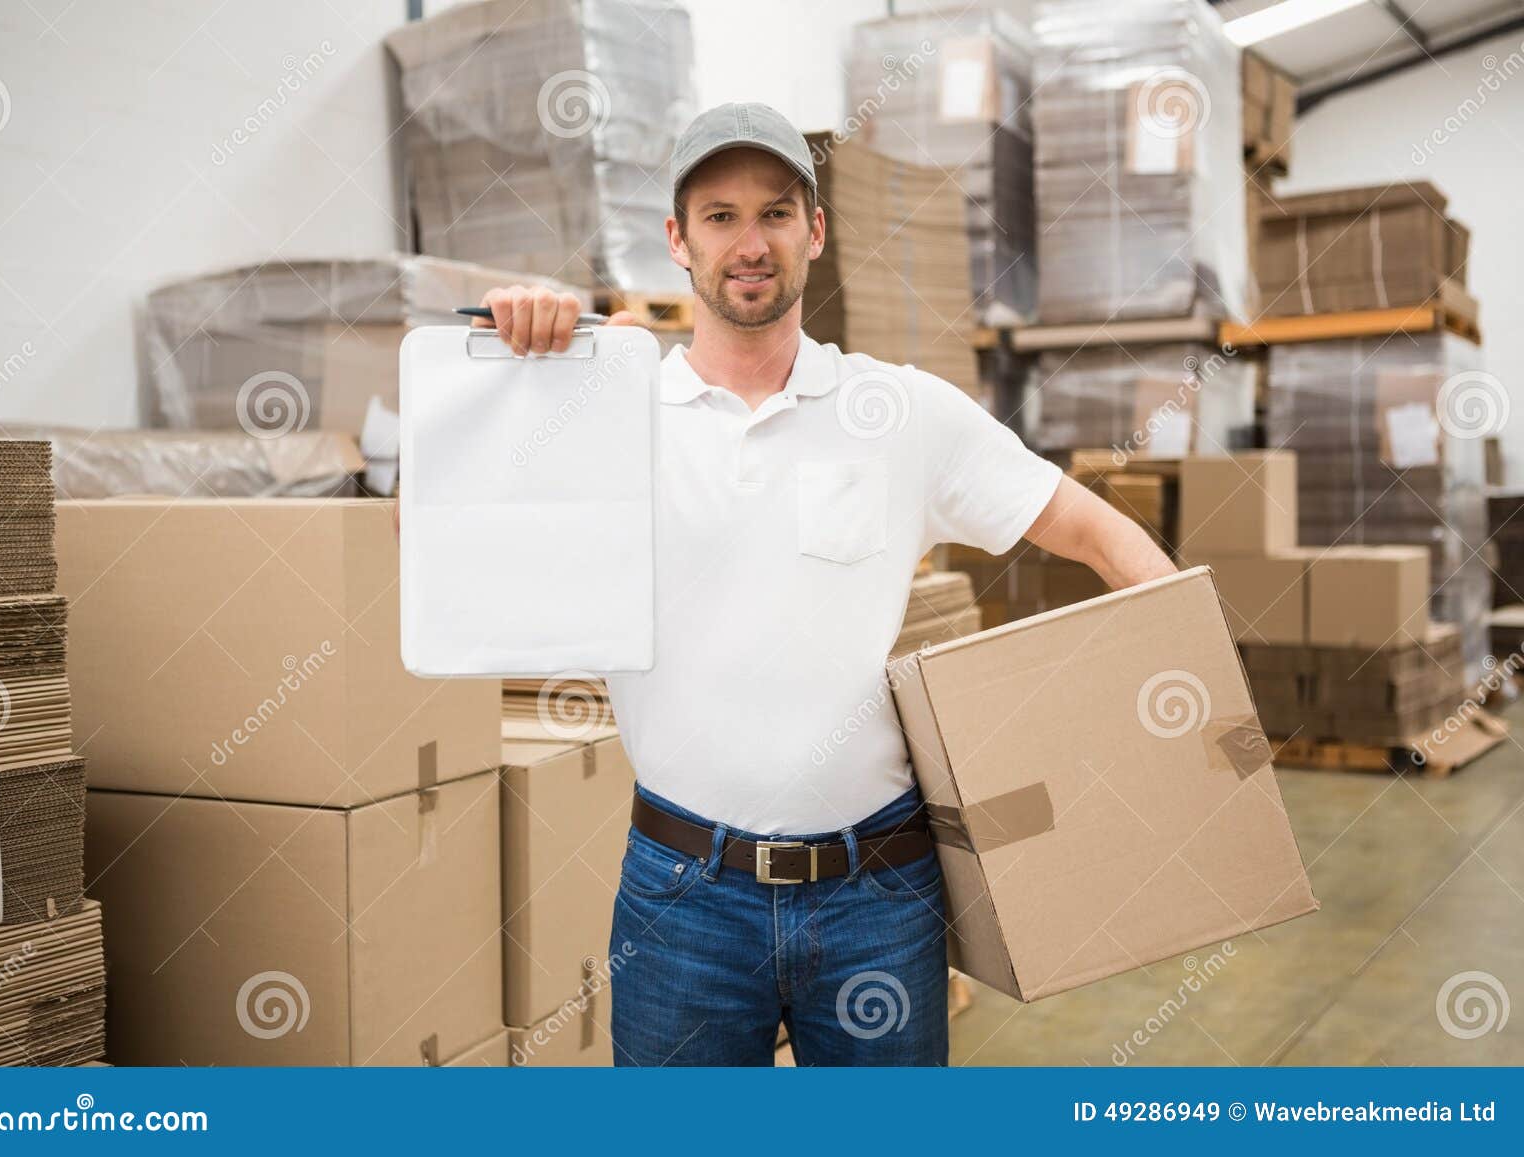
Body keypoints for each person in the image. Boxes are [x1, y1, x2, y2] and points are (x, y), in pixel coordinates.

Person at [404, 103, 1177, 1066]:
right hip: (685, 899)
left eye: (775, 212)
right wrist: (522, 361)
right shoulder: (603, 414)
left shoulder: (899, 412)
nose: (751, 241)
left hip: (879, 897)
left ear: (816, 230)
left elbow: (1094, 530)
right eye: (720, 216)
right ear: (677, 242)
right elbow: (446, 524)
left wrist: (1188, 669)